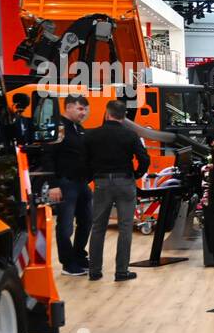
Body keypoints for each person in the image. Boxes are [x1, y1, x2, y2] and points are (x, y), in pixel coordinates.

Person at [85, 100, 149, 282]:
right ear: (124, 116)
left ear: (107, 113)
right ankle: (121, 272)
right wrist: (136, 174)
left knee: (98, 227)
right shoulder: (130, 135)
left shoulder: (92, 135)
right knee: (125, 227)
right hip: (125, 182)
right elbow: (144, 159)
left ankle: (94, 271)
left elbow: (85, 159)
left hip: (102, 183)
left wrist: (92, 175)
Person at [45, 94, 92, 276]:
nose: (84, 113)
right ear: (69, 107)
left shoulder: (78, 128)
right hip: (65, 183)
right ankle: (68, 263)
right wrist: (53, 184)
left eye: (86, 109)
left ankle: (80, 256)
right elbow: (48, 157)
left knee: (87, 221)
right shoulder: (58, 127)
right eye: (81, 109)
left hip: (81, 184)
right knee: (65, 226)